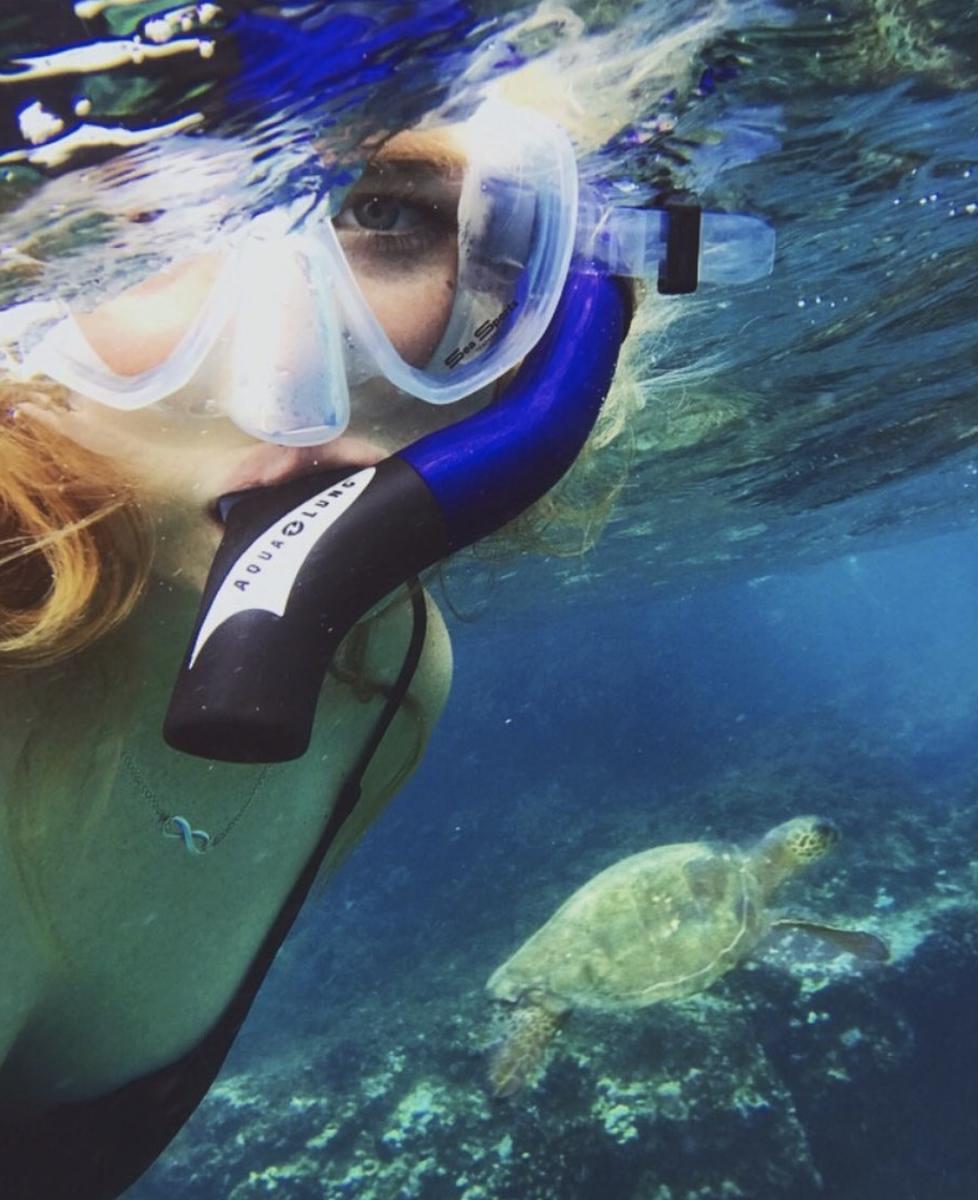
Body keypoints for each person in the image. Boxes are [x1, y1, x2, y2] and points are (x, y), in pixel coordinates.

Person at [0, 12, 773, 1198]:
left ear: (555, 303)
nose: (287, 382)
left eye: (395, 216)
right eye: (148, 189)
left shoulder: (388, 685)